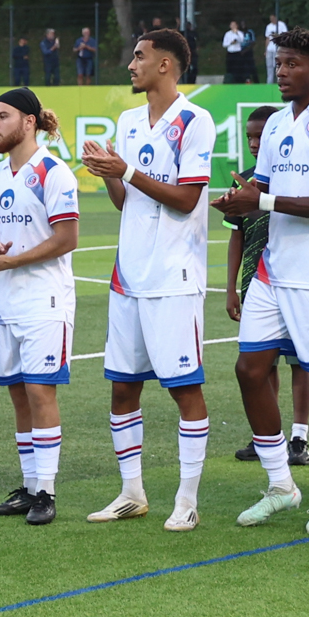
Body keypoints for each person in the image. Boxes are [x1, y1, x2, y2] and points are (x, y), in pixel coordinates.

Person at [211, 29, 309, 535]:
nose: (281, 72)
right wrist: (241, 198)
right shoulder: (277, 122)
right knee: (249, 369)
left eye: (292, 63)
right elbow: (264, 187)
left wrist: (261, 200)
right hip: (273, 270)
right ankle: (281, 485)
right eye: (279, 63)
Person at [81, 30, 214, 531]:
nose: (131, 64)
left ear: (165, 65)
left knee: (185, 390)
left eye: (139, 56)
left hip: (173, 277)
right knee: (123, 388)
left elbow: (187, 200)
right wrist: (108, 172)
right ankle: (131, 493)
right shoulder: (129, 121)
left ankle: (187, 500)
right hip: (128, 276)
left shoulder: (195, 121)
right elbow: (125, 201)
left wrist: (127, 170)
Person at [0, 89, 78, 526]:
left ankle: (47, 492)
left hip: (46, 300)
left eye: (3, 116)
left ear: (29, 122)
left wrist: (13, 260)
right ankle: (29, 485)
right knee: (18, 393)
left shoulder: (53, 172)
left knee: (40, 392)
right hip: (7, 303)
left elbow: (67, 238)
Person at [224, 106, 309, 469]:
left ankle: (299, 438)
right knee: (262, 362)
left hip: (295, 279)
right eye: (249, 136)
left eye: (261, 136)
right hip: (254, 281)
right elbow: (236, 237)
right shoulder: (244, 181)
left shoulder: (294, 178)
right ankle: (267, 435)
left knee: (300, 363)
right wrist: (231, 288)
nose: (254, 143)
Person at [263, 15, 288, 83]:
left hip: (278, 49)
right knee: (269, 66)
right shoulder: (268, 26)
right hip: (270, 49)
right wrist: (266, 50)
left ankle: (279, 81)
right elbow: (267, 38)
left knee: (278, 66)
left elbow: (284, 36)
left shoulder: (281, 25)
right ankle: (269, 82)